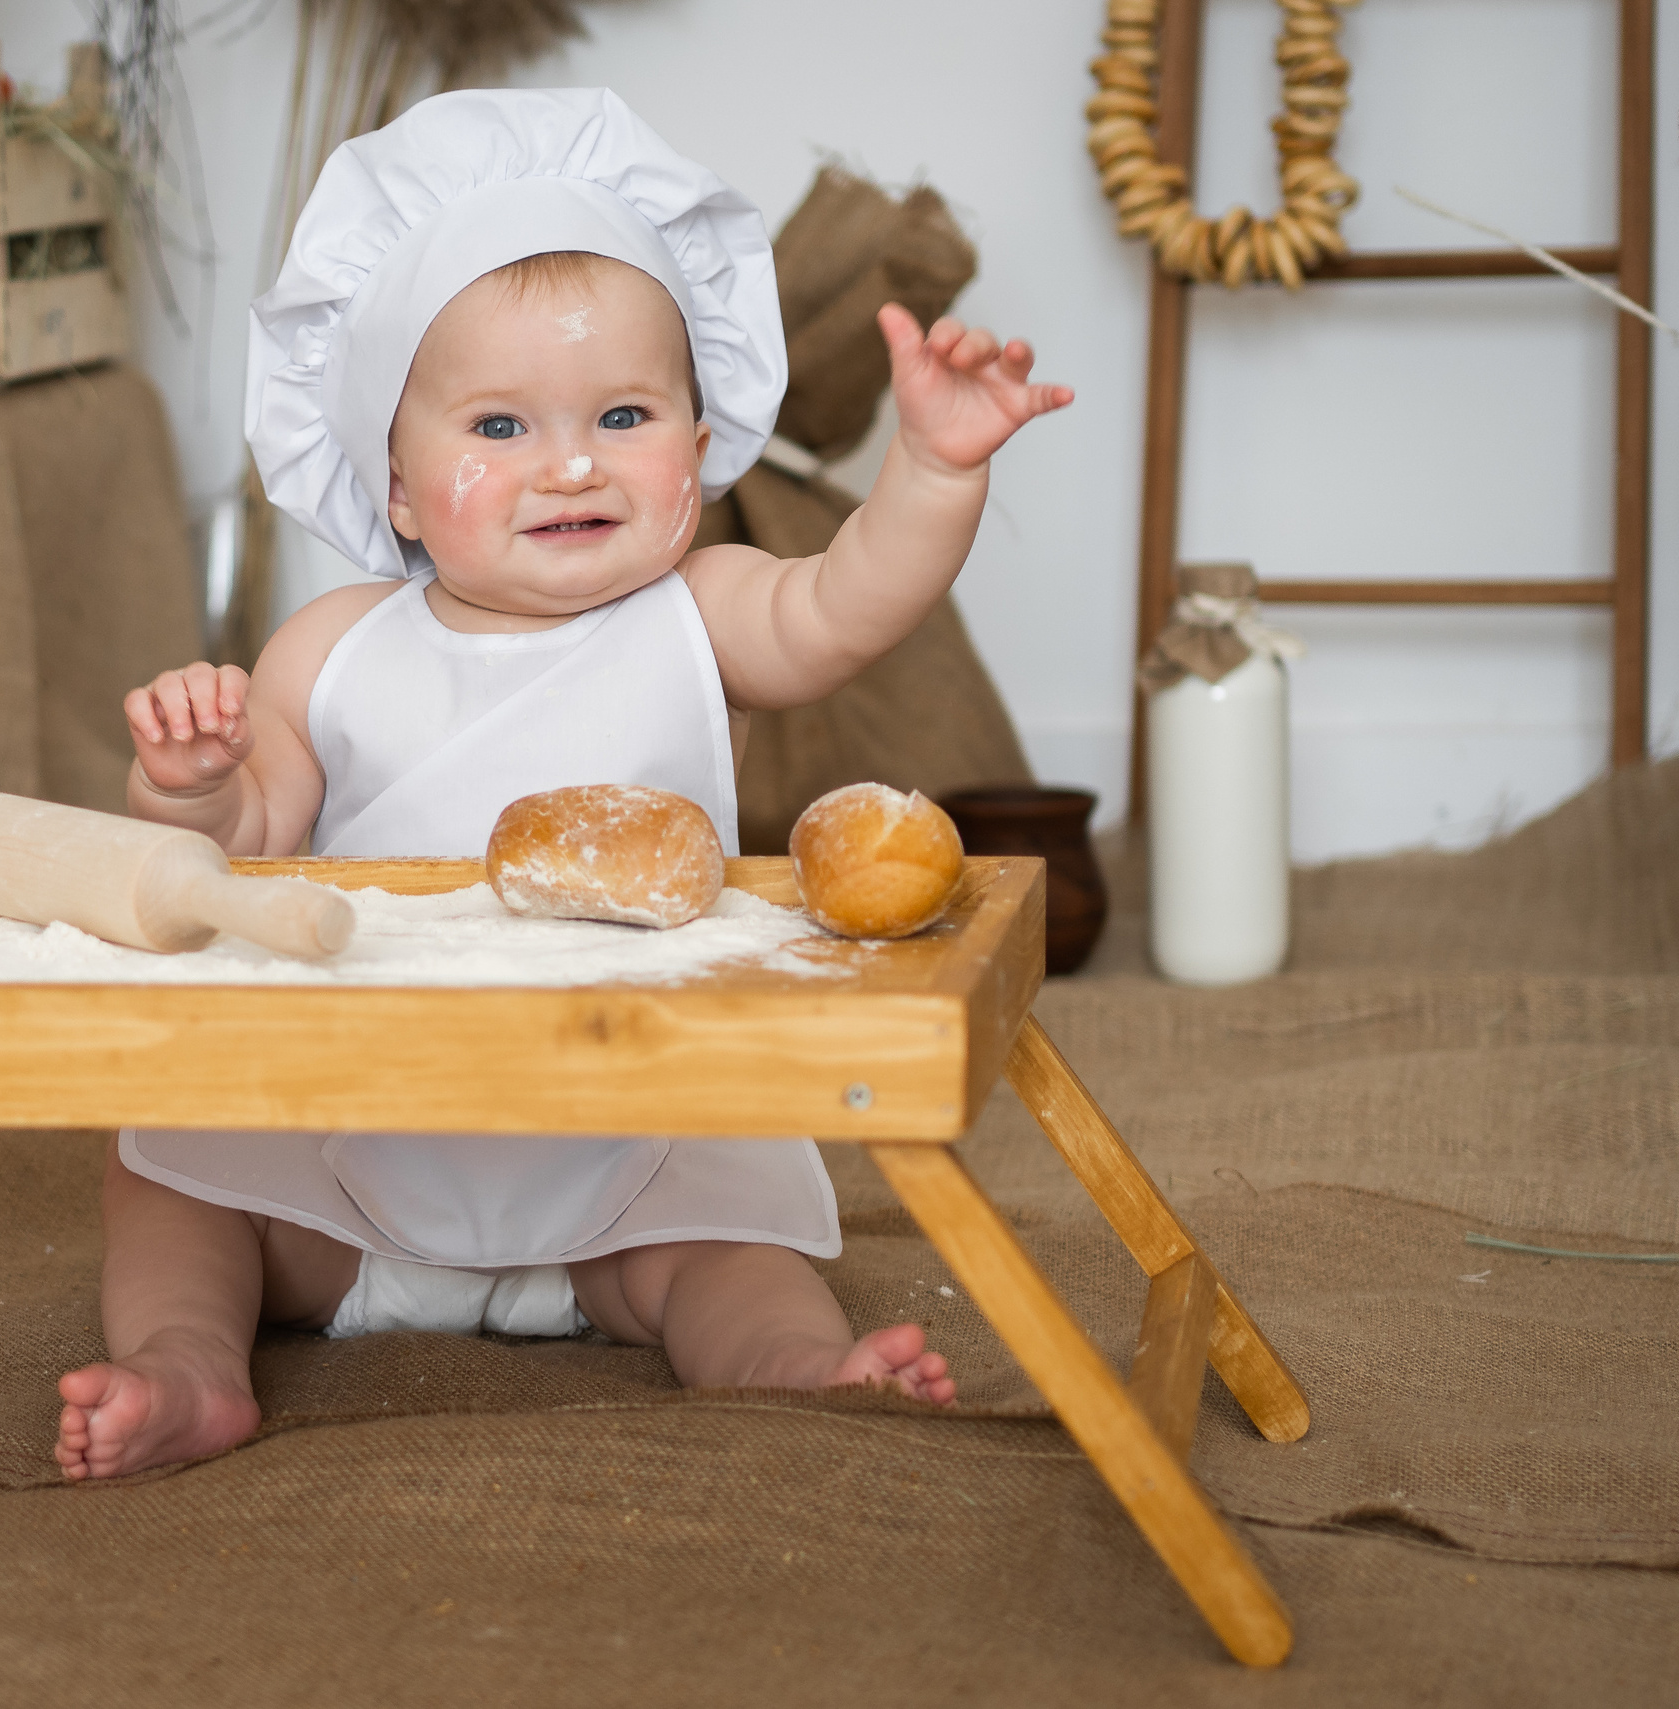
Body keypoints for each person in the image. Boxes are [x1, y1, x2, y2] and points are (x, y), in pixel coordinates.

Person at [57, 88, 1070, 1481]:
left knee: (734, 1250)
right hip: (353, 1155)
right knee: (166, 1174)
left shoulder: (700, 611)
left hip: (629, 1156)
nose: (573, 461)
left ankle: (790, 1366)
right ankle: (188, 1366)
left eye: (623, 412)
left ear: (700, 450)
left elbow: (846, 604)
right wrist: (190, 779)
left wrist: (936, 470)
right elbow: (251, 834)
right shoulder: (332, 650)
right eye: (500, 428)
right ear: (398, 484)